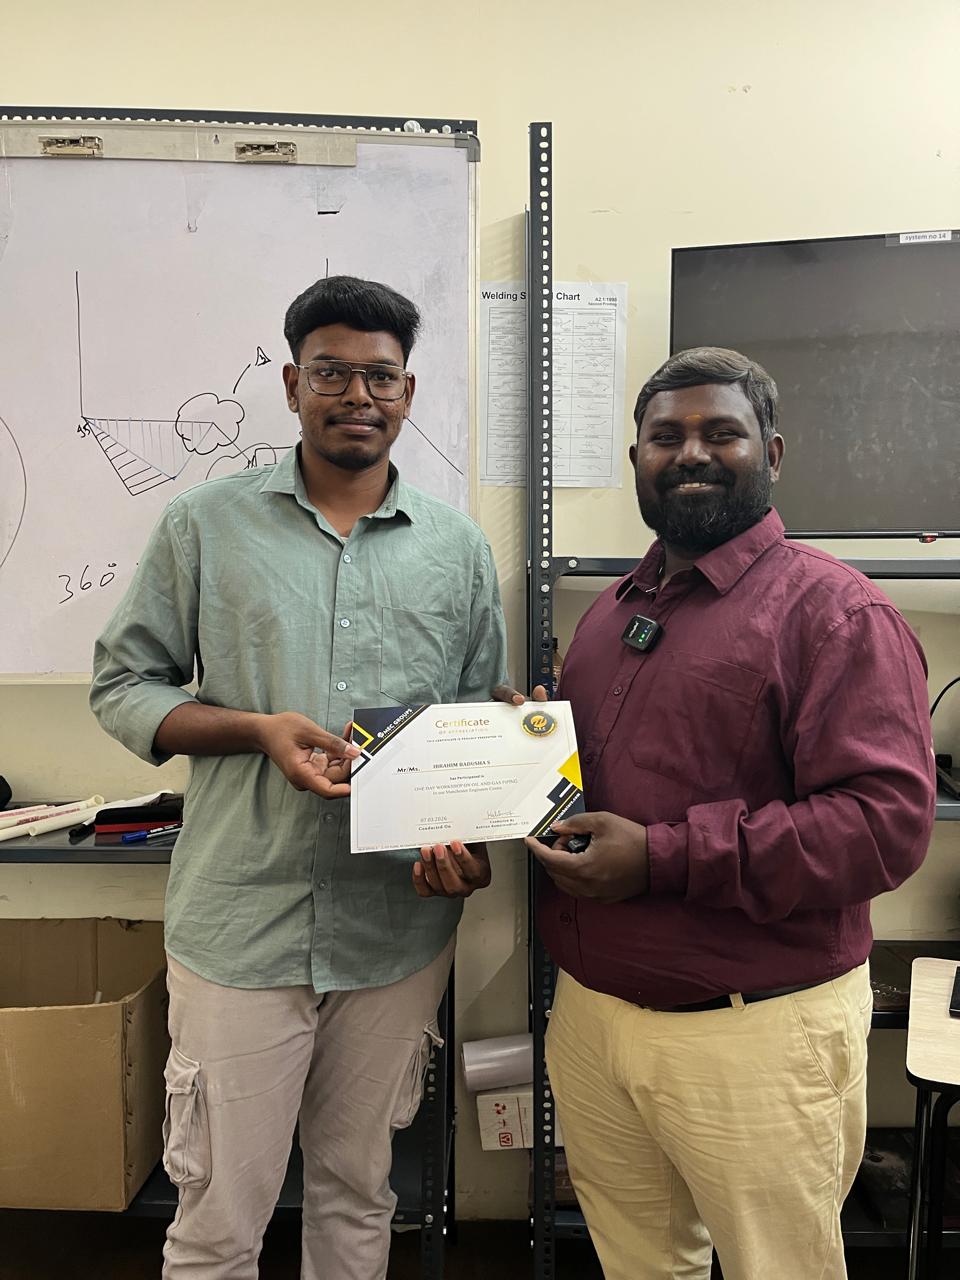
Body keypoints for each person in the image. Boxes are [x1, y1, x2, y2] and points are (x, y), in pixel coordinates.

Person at [90, 275, 507, 1280]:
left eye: (380, 375)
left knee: (359, 1197)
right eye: (331, 372)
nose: (357, 394)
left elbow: (473, 730)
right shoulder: (203, 525)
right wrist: (253, 729)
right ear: (291, 385)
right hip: (242, 924)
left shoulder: (457, 549)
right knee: (216, 1222)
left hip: (393, 931)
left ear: (408, 391)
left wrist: (469, 843)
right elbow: (124, 684)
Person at [511, 348, 936, 1279]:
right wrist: (518, 753)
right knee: (639, 1266)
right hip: (593, 1019)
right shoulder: (610, 614)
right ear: (637, 461)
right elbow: (597, 782)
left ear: (771, 452)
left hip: (755, 1036)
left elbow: (883, 826)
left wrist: (663, 857)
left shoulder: (836, 614)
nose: (691, 453)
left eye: (721, 433)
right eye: (666, 437)